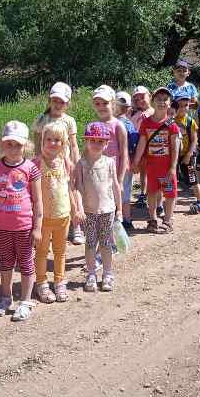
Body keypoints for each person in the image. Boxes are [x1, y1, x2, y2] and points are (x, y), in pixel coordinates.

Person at [0, 121, 43, 321]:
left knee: (26, 263)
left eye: (17, 145)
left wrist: (37, 227)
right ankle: (6, 296)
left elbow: (37, 200)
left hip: (24, 227)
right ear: (2, 144)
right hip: (2, 227)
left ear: (25, 146)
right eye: (9, 144)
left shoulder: (31, 168)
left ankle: (25, 300)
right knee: (6, 263)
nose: (13, 148)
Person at [33, 122, 82, 303]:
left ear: (63, 144)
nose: (53, 143)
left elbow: (69, 188)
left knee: (60, 251)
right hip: (43, 217)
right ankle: (41, 282)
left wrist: (76, 209)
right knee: (42, 251)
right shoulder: (36, 164)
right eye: (49, 139)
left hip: (63, 215)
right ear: (42, 141)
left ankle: (59, 280)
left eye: (58, 140)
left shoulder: (65, 163)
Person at [32, 82, 83, 245]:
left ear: (67, 104)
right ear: (50, 100)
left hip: (64, 163)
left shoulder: (69, 121)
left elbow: (73, 144)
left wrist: (76, 162)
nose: (58, 105)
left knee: (71, 191)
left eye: (61, 102)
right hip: (46, 163)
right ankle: (47, 225)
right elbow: (37, 141)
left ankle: (76, 227)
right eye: (55, 101)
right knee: (48, 192)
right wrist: (38, 160)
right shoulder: (42, 119)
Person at [74, 122, 122, 292]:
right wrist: (79, 208)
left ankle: (108, 273)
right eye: (92, 140)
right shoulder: (80, 164)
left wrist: (120, 209)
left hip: (107, 210)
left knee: (106, 244)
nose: (96, 144)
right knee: (90, 244)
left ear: (106, 143)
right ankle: (91, 273)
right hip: (88, 212)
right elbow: (78, 188)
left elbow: (116, 186)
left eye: (100, 141)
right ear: (86, 141)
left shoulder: (110, 162)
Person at [131, 87, 180, 233]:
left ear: (170, 103)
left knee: (169, 193)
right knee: (151, 193)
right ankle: (152, 219)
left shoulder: (172, 125)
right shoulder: (146, 123)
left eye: (165, 99)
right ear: (153, 101)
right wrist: (136, 161)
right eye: (158, 99)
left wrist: (172, 167)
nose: (162, 102)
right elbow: (142, 143)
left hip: (166, 167)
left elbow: (174, 148)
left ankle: (168, 220)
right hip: (152, 166)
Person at [91, 85, 128, 196]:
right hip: (96, 172)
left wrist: (120, 180)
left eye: (105, 103)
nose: (101, 107)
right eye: (97, 104)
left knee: (112, 204)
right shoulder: (93, 126)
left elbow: (124, 154)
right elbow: (88, 150)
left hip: (113, 174)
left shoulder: (118, 126)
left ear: (113, 103)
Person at [173, 96, 200, 213]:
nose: (183, 108)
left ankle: (199, 200)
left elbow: (194, 140)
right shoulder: (170, 120)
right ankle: (170, 202)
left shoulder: (190, 121)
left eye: (186, 105)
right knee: (173, 180)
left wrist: (188, 155)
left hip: (186, 154)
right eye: (179, 105)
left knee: (192, 177)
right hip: (173, 156)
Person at [115, 91, 139, 231]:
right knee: (125, 192)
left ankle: (121, 219)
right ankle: (127, 220)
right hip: (125, 162)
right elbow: (134, 143)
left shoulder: (109, 123)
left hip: (118, 162)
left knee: (116, 192)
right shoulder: (129, 124)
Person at [128, 86, 153, 208]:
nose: (140, 101)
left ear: (150, 96)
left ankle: (151, 194)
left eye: (142, 97)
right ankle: (143, 194)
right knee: (142, 170)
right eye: (136, 99)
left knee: (152, 171)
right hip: (138, 143)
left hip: (152, 144)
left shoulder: (154, 111)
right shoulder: (133, 113)